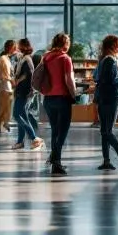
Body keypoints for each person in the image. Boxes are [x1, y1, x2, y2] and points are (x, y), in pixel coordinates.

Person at [93, 34, 118, 172]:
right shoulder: (111, 60)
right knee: (108, 131)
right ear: (114, 46)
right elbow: (112, 80)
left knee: (104, 131)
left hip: (102, 98)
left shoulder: (102, 60)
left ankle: (106, 161)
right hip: (112, 98)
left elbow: (96, 77)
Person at [38, 33, 77, 176]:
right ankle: (56, 163)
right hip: (62, 99)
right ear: (65, 43)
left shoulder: (46, 57)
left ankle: (54, 160)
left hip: (48, 99)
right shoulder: (65, 58)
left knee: (55, 131)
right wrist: (74, 94)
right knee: (62, 133)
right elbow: (69, 79)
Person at [11, 38, 44, 150]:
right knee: (23, 116)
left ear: (24, 47)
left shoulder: (27, 59)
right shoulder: (22, 59)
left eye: (19, 45)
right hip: (21, 91)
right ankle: (20, 142)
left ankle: (34, 138)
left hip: (24, 92)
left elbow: (28, 75)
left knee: (16, 115)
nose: (17, 47)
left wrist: (17, 81)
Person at [0, 40, 17, 135]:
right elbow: (4, 75)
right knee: (4, 107)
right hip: (4, 87)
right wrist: (12, 81)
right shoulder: (3, 59)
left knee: (6, 107)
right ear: (10, 48)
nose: (16, 49)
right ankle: (1, 123)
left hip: (6, 87)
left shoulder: (5, 58)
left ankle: (3, 123)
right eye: (14, 47)